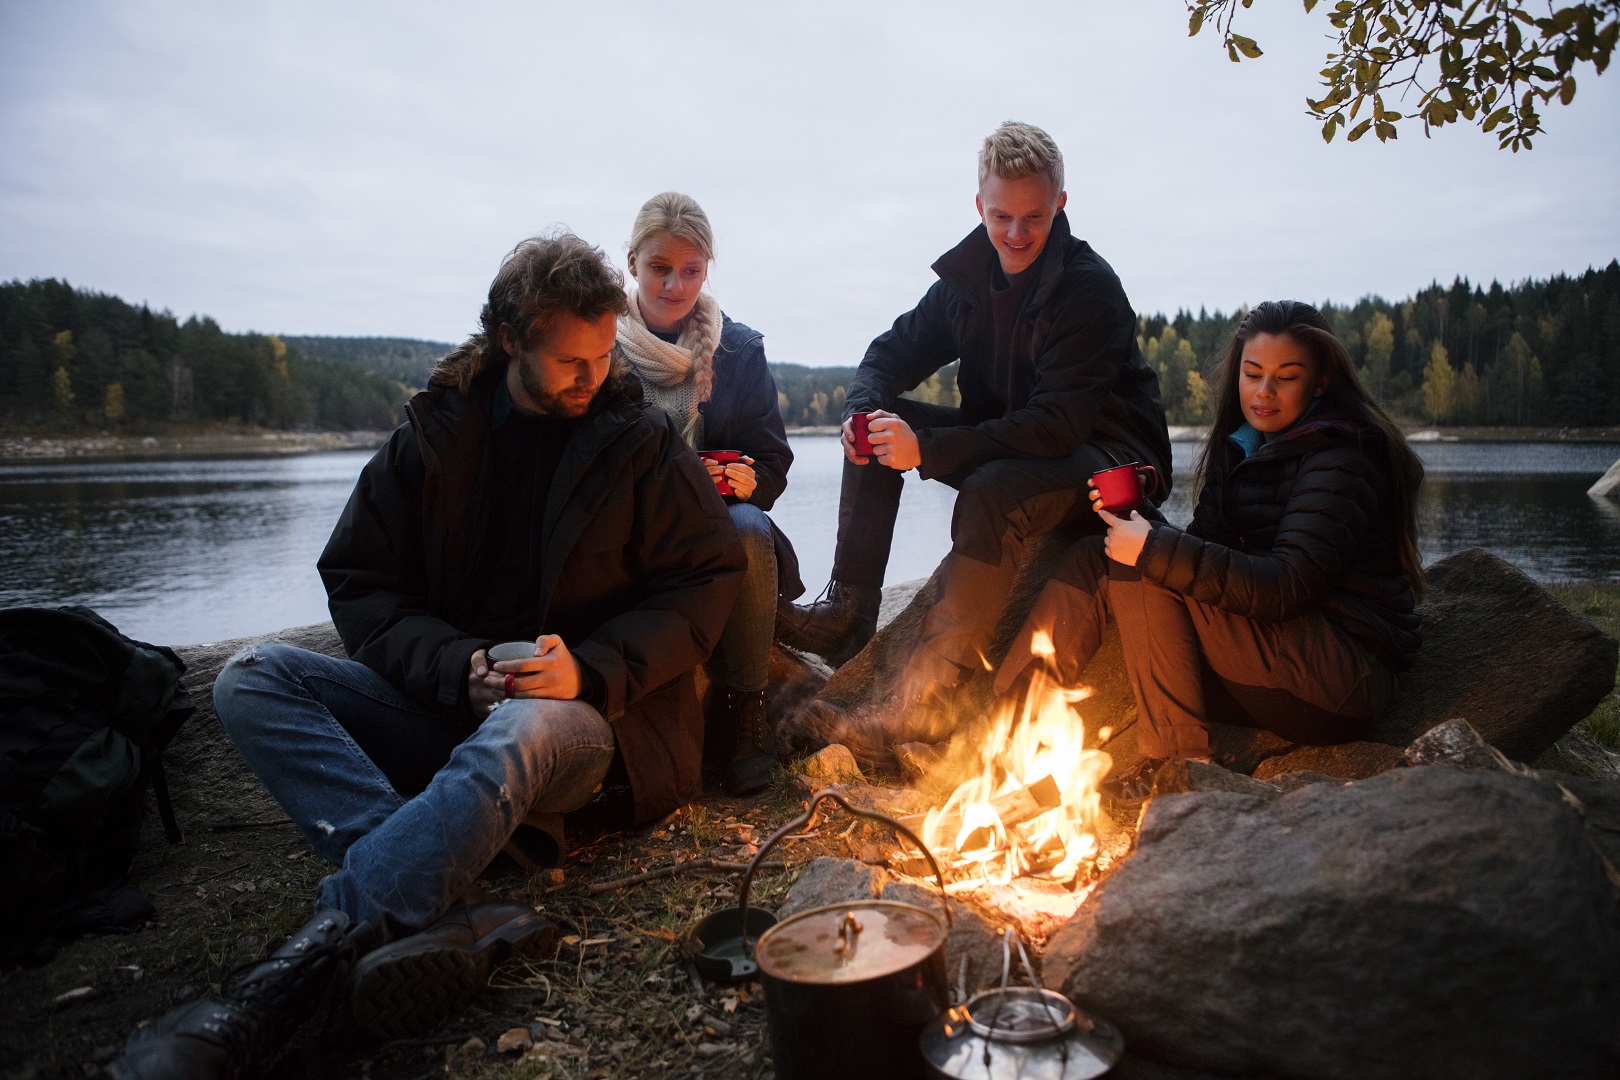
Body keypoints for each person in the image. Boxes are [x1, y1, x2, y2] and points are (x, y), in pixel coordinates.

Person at [111, 231, 745, 1079]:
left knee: (525, 725)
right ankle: (444, 894)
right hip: (449, 709)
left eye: (602, 357)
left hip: (591, 727)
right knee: (253, 678)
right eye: (570, 361)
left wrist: (589, 669)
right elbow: (360, 578)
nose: (593, 379)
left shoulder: (638, 438)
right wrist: (456, 666)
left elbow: (707, 578)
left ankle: (287, 980)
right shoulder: (436, 433)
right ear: (512, 339)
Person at [777, 120, 1171, 724]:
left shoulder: (1089, 289)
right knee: (884, 422)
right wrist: (860, 412)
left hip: (1108, 458)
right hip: (1018, 443)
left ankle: (921, 706)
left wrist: (928, 452)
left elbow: (1056, 428)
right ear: (979, 205)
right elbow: (890, 352)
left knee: (992, 491)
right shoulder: (966, 283)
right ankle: (851, 613)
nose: (1015, 234)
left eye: (1034, 218)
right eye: (1000, 216)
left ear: (1060, 205)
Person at [995, 300, 1425, 801]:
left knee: (1152, 564)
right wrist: (1141, 511)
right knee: (1101, 554)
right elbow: (1208, 552)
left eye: (1285, 377)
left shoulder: (1345, 457)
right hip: (1266, 658)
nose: (1263, 392)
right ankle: (1004, 733)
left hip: (1338, 676)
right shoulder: (1244, 446)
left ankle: (1178, 765)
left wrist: (1154, 547)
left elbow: (1287, 585)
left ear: (1321, 381)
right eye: (1253, 373)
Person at [614, 192, 801, 794]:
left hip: (712, 533)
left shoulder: (737, 351)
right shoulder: (602, 348)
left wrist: (754, 481)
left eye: (691, 271)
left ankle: (741, 711)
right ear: (632, 263)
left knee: (748, 526)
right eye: (659, 268)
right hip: (625, 531)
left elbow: (772, 461)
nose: (675, 285)